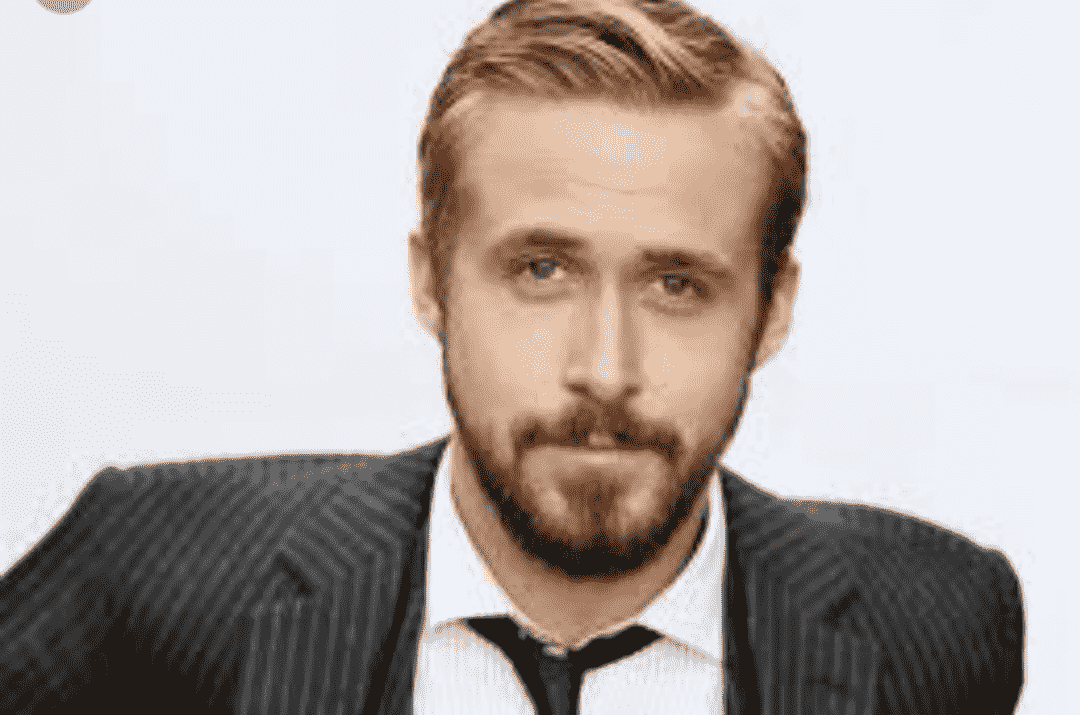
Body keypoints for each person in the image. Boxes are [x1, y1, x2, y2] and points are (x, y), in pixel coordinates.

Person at [0, 1, 1024, 713]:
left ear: (772, 311)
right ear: (432, 281)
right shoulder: (148, 575)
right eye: (541, 270)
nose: (606, 369)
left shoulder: (941, 622)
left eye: (678, 285)